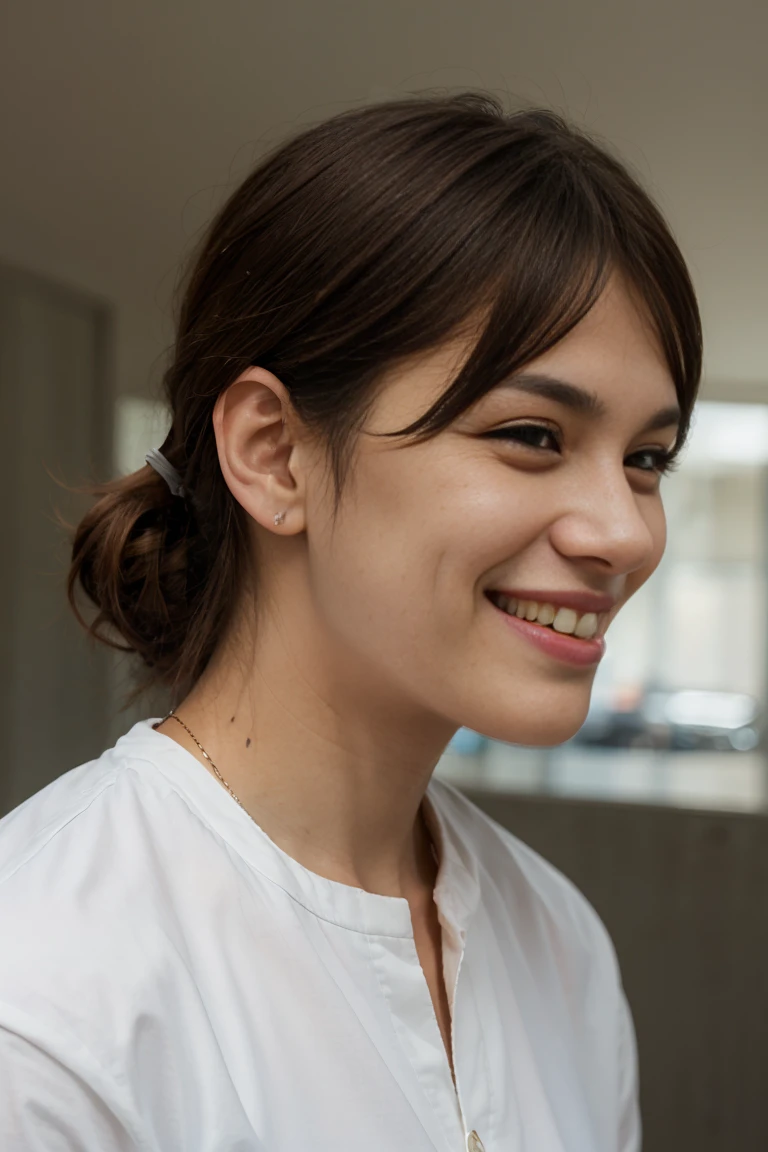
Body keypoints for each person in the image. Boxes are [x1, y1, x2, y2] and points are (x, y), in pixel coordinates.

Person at [0, 92, 701, 1151]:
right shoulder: (46, 1002)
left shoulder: (559, 941)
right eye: (531, 435)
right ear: (275, 454)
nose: (626, 533)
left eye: (647, 460)